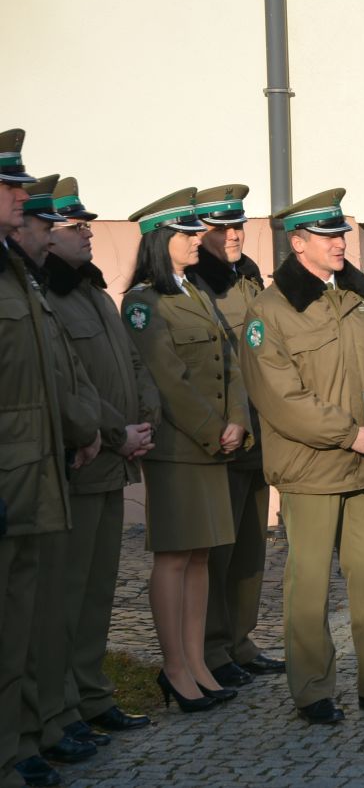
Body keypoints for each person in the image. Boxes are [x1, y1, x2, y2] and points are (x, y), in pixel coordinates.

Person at [239, 188, 364, 725]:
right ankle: (313, 691)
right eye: (327, 236)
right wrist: (350, 435)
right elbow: (280, 398)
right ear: (298, 243)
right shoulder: (270, 311)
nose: (340, 242)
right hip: (310, 469)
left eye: (341, 232)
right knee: (309, 586)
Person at [123, 187, 253, 713]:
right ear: (161, 240)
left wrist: (237, 419)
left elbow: (230, 362)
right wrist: (213, 429)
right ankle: (175, 668)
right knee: (175, 557)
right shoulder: (144, 302)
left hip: (213, 442)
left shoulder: (193, 291)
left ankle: (197, 662)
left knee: (200, 556)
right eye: (188, 233)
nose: (200, 239)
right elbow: (167, 378)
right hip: (179, 448)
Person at [42, 177, 160, 743]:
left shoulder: (91, 290)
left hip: (114, 459)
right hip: (86, 460)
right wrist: (118, 433)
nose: (87, 232)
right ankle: (62, 705)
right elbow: (74, 384)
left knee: (99, 590)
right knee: (67, 595)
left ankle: (92, 694)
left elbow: (130, 364)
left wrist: (145, 422)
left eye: (87, 224)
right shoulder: (50, 296)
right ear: (47, 233)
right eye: (74, 225)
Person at [0, 131, 98, 788]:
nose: (22, 196)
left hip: (33, 474)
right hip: (13, 475)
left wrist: (83, 428)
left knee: (23, 623)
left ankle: (20, 742)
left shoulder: (15, 272)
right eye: (11, 187)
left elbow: (51, 375)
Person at [186, 184, 283, 687]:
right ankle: (213, 647)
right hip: (226, 434)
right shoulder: (196, 286)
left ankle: (241, 640)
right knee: (217, 551)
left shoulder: (247, 277)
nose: (233, 235)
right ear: (199, 234)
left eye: (238, 225)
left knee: (250, 549)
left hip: (261, 431)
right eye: (221, 228)